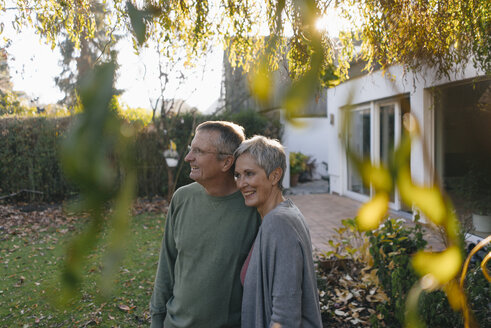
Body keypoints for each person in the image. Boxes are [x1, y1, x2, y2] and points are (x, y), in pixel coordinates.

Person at [150, 121, 261, 328]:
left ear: (227, 162)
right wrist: (157, 319)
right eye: (191, 149)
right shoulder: (182, 198)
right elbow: (167, 264)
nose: (188, 157)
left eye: (198, 151)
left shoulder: (254, 208)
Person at [234, 136, 322, 328]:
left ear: (275, 176)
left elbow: (285, 316)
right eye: (238, 175)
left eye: (249, 174)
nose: (241, 183)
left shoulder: (278, 222)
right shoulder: (283, 213)